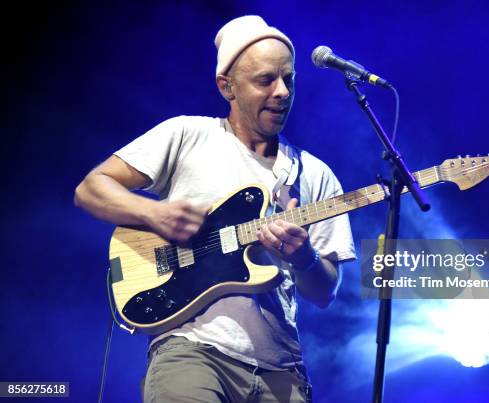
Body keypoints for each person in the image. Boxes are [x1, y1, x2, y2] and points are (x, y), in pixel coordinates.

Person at [74, 15, 355, 402]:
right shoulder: (188, 134)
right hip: (191, 350)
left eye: (289, 79)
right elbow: (91, 188)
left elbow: (324, 293)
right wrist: (152, 214)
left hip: (281, 368)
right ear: (227, 86)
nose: (282, 92)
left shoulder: (316, 175)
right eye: (265, 80)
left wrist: (303, 256)